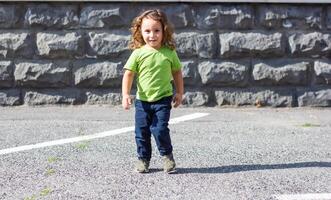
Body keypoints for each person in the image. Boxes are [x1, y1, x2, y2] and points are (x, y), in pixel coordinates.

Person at [122, 9, 184, 173]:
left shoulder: (169, 53)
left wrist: (179, 93)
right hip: (142, 101)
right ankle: (143, 159)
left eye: (156, 31)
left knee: (159, 129)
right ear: (140, 31)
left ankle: (167, 156)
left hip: (163, 99)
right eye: (147, 31)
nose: (152, 35)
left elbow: (177, 72)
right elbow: (128, 74)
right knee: (141, 132)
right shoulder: (138, 53)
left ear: (164, 30)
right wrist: (125, 94)